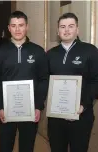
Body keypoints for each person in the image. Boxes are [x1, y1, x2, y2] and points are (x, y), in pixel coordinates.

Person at [0, 11, 49, 152]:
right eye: (14, 26)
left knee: (27, 147)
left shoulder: (38, 51)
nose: (17, 29)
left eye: (21, 25)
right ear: (9, 28)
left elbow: (43, 79)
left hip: (30, 110)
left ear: (27, 27)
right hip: (6, 109)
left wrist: (38, 106)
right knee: (5, 146)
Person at [46, 12, 98, 152]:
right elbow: (45, 81)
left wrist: (83, 105)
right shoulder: (50, 54)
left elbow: (95, 81)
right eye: (62, 27)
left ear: (77, 29)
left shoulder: (91, 51)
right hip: (56, 117)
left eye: (71, 26)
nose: (67, 30)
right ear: (58, 31)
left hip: (81, 115)